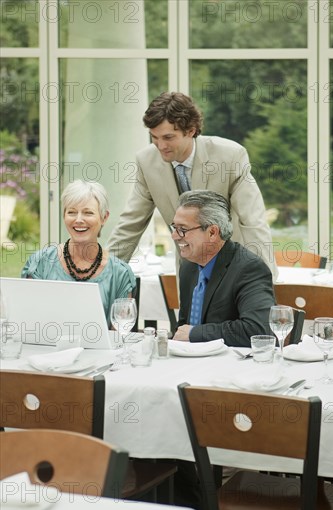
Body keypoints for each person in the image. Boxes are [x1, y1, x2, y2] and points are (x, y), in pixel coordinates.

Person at [107, 91, 278, 280]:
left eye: (168, 137)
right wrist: (104, 275)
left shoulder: (230, 157)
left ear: (190, 130)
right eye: (154, 137)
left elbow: (253, 222)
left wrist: (265, 280)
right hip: (188, 271)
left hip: (233, 268)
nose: (160, 145)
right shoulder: (146, 162)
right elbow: (130, 224)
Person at [21, 180, 136, 325]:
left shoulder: (120, 273)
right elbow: (28, 318)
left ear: (104, 217)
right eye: (72, 212)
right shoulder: (41, 263)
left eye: (88, 213)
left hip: (102, 348)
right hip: (48, 346)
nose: (79, 219)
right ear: (64, 216)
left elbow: (120, 333)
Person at [172, 190, 275, 347]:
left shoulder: (249, 268)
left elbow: (259, 331)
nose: (174, 236)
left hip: (232, 367)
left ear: (213, 232)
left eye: (182, 229)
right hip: (192, 362)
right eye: (174, 227)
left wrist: (195, 333)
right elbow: (183, 329)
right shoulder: (188, 266)